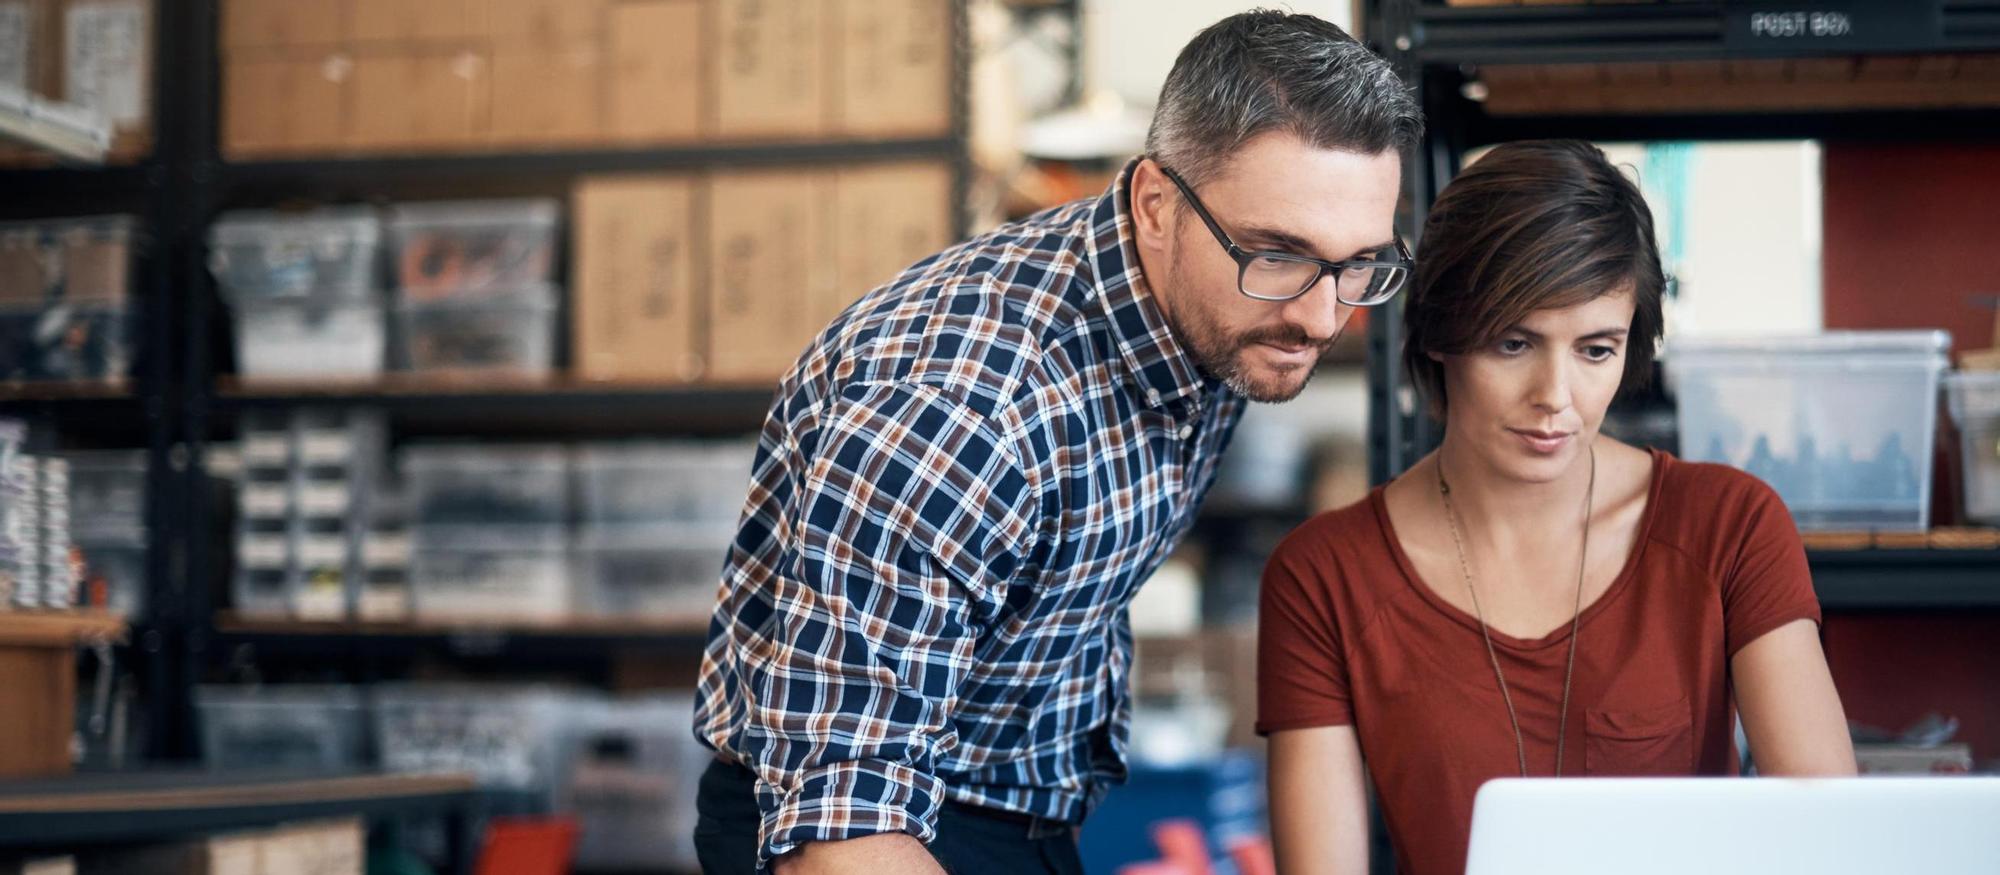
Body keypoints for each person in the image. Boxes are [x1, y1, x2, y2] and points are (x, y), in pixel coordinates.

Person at [693, 9, 1423, 874]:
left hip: (1023, 809)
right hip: (872, 830)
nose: (1321, 316)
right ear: (1155, 204)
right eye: (1278, 255)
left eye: (1357, 266)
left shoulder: (1218, 309)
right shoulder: (962, 409)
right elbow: (842, 817)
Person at [1257, 139, 1858, 875]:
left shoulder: (1727, 528)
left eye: (1596, 349)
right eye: (1514, 343)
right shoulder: (1324, 578)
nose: (1556, 397)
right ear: (1442, 335)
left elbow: (1832, 843)